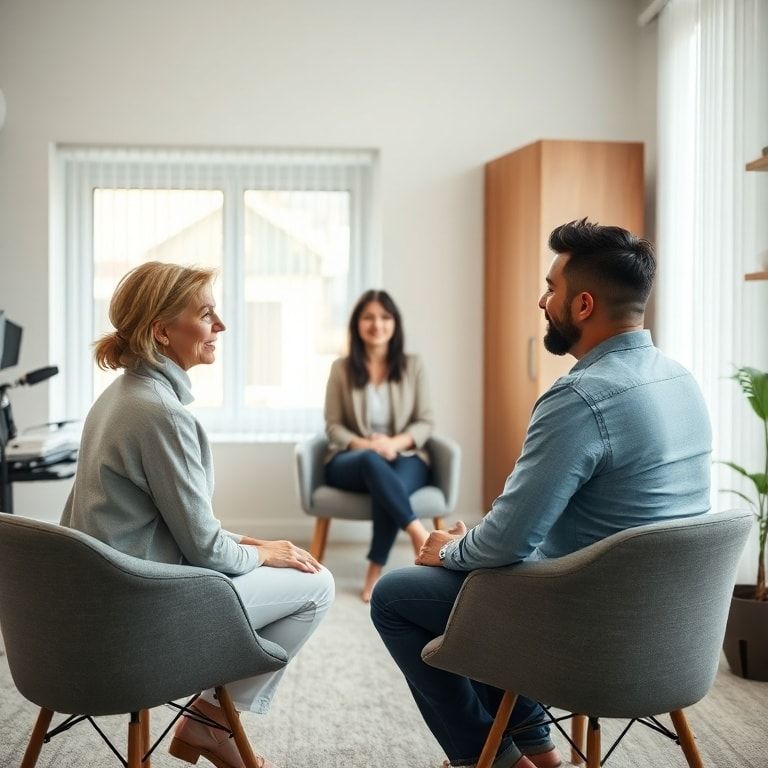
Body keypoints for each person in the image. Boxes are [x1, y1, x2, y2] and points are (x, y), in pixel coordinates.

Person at [370, 219, 712, 768]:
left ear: (581, 305)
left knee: (399, 597)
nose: (541, 299)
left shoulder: (581, 396)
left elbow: (508, 542)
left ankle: (495, 758)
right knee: (482, 577)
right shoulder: (680, 379)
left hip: (591, 633)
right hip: (673, 634)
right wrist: (475, 547)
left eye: (550, 287)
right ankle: (537, 750)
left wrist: (451, 550)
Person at [61, 261, 334, 768]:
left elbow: (167, 522)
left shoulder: (120, 398)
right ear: (162, 331)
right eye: (207, 315)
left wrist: (252, 544)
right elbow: (206, 550)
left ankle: (208, 726)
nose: (221, 327)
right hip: (137, 619)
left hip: (93, 610)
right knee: (316, 584)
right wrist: (256, 553)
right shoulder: (163, 414)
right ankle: (208, 724)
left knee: (277, 560)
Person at [324, 289, 434, 602]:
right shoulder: (341, 369)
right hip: (353, 460)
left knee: (390, 481)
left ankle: (374, 568)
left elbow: (425, 422)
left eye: (385, 317)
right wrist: (366, 445)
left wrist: (393, 443)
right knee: (374, 462)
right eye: (369, 317)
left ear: (395, 324)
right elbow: (333, 427)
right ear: (357, 324)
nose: (377, 324)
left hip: (404, 455)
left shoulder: (413, 366)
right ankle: (417, 533)